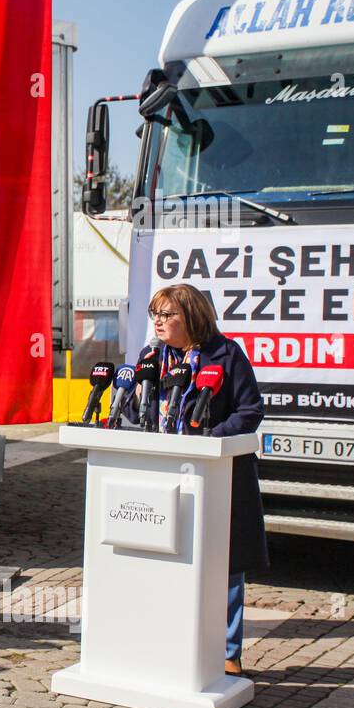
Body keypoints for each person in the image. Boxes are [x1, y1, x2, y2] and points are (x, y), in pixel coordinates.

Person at [144, 283, 267, 676]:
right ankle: (170, 641)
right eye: (156, 316)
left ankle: (228, 652)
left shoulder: (226, 355)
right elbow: (136, 407)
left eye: (167, 315)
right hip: (165, 474)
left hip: (219, 472)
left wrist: (209, 440)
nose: (159, 323)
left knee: (224, 563)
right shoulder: (152, 357)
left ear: (192, 316)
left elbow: (250, 411)